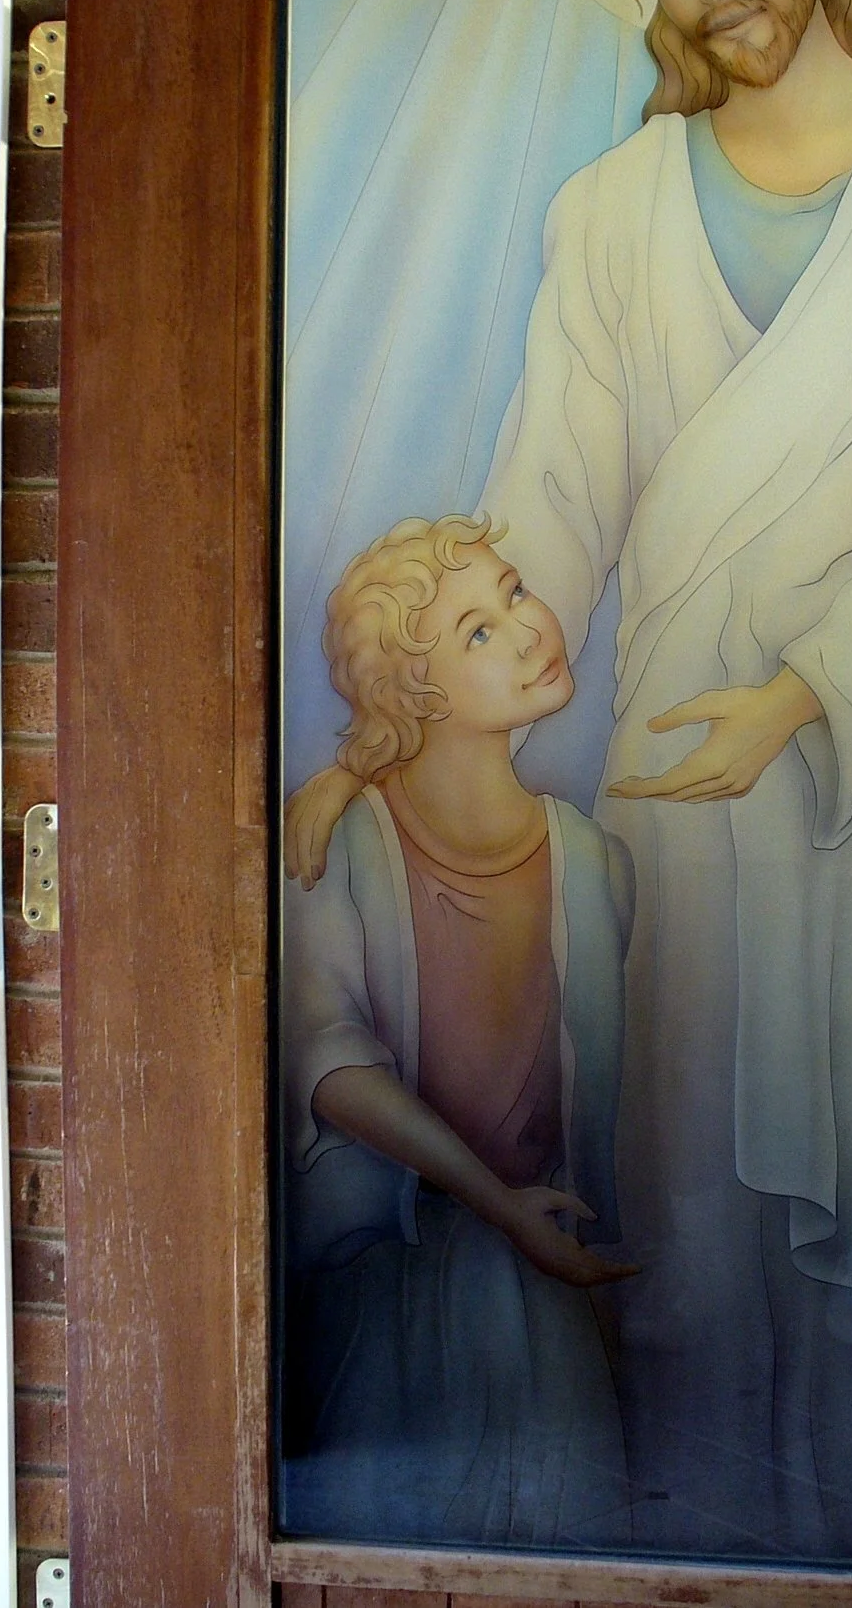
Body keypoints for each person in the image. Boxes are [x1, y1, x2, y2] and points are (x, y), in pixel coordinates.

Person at [285, 0, 852, 1566]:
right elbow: (543, 516)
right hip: (678, 813)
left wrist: (804, 690)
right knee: (691, 1210)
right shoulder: (612, 213)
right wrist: (381, 751)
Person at [279, 514, 637, 1548]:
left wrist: (540, 1227)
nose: (530, 629)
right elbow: (330, 1064)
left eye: (514, 592)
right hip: (390, 1278)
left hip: (548, 1282)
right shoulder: (339, 845)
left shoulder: (594, 862)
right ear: (417, 694)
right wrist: (501, 1208)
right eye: (478, 632)